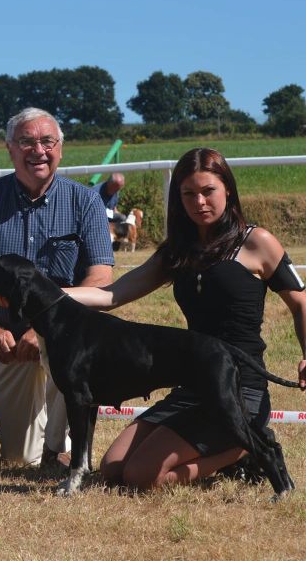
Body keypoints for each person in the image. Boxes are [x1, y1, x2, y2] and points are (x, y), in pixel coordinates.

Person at [64, 147, 306, 489]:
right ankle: (229, 447)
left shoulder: (257, 242)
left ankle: (247, 446)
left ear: (228, 191)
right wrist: (51, 293)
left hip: (240, 387)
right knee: (113, 468)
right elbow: (111, 295)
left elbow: (301, 304)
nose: (200, 202)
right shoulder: (178, 251)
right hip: (192, 383)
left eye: (208, 191)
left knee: (142, 477)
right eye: (188, 194)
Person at [0, 107, 114, 466]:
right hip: (4, 341)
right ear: (9, 149)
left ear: (60, 148)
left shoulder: (86, 202)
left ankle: (62, 449)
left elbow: (101, 278)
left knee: (58, 453)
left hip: (65, 337)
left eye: (47, 141)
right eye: (26, 141)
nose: (38, 150)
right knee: (20, 458)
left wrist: (42, 330)